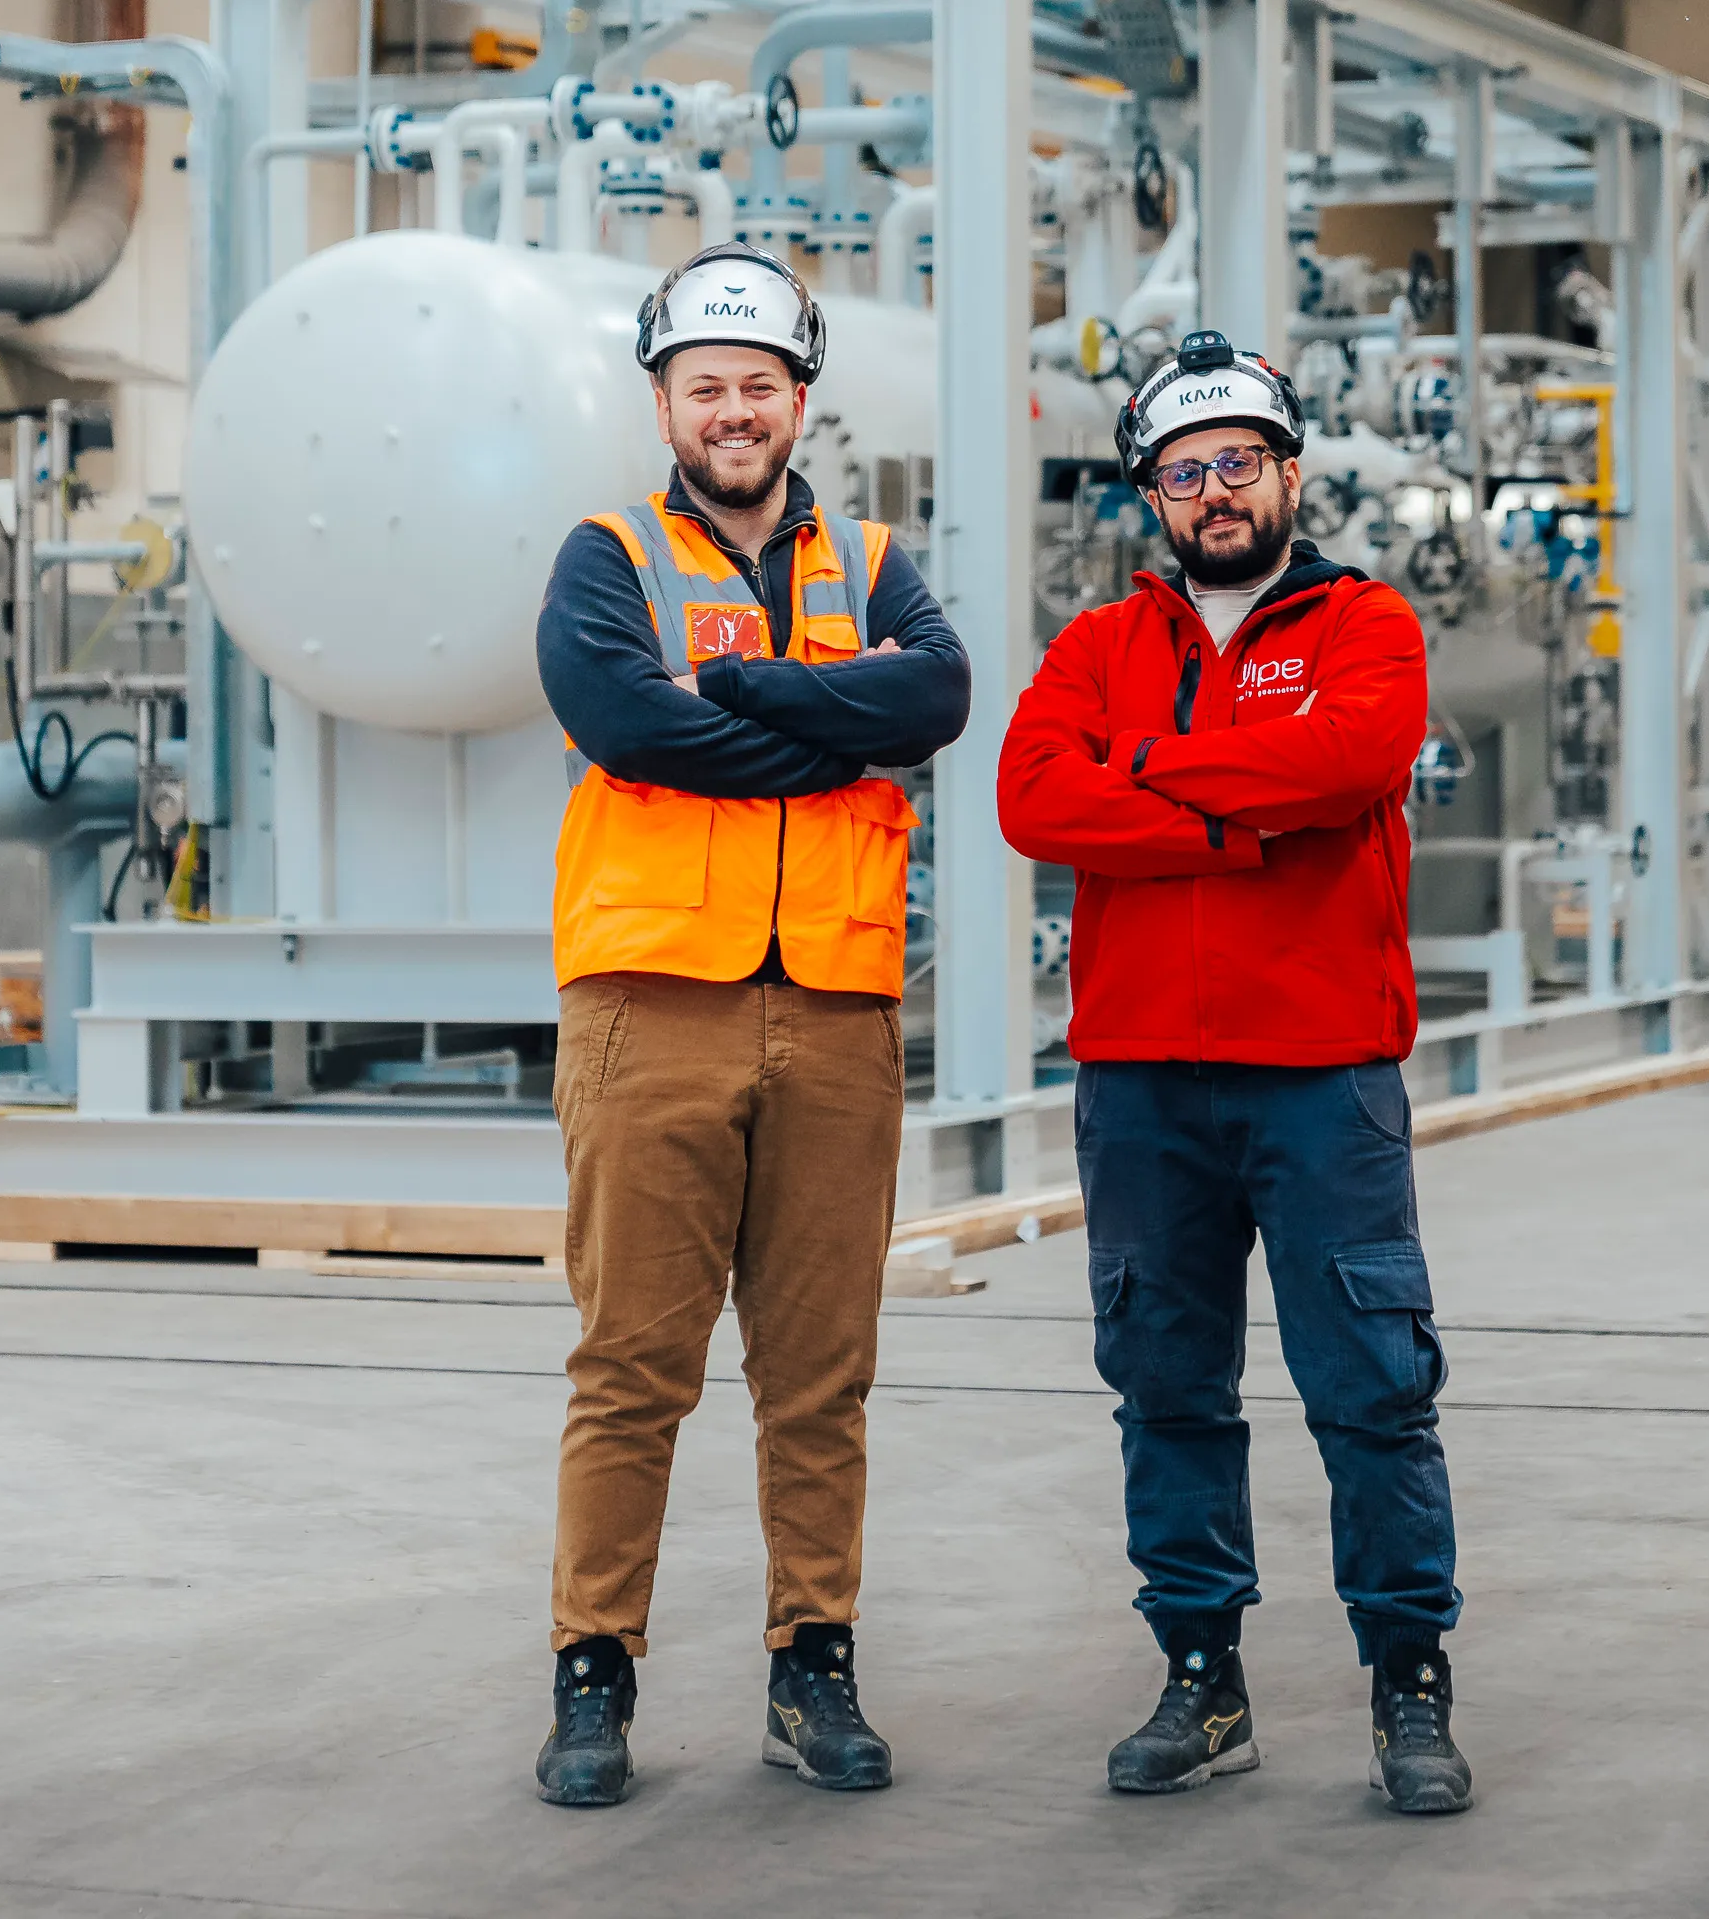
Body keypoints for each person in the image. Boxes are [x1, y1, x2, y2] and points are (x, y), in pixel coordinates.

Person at [996, 328, 1470, 1815]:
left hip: (1321, 1075)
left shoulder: (1366, 624)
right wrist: (1242, 816)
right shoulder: (1096, 647)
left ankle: (1409, 1688)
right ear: (1152, 494)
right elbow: (1031, 799)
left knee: (1372, 1390)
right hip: (1140, 1082)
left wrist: (1138, 774)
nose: (1216, 491)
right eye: (1186, 471)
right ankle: (1201, 1681)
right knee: (1166, 1387)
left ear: (1289, 473)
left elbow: (1350, 764)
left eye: (1240, 463)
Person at [531, 240, 971, 1808]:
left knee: (819, 1375)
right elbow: (620, 718)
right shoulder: (608, 557)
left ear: (800, 401)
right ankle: (594, 1677)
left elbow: (935, 700)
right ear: (664, 406)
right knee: (631, 1366)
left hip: (838, 1009)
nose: (734, 410)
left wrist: (740, 696)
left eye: (760, 385)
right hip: (653, 1001)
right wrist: (828, 718)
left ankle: (813, 1667)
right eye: (705, 386)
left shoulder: (876, 559)